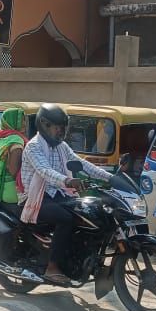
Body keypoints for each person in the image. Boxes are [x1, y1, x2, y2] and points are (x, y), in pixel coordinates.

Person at [19, 103, 112, 285]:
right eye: (57, 128)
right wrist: (68, 181)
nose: (61, 132)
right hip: (35, 198)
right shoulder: (33, 147)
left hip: (57, 195)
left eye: (63, 128)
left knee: (88, 213)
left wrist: (110, 178)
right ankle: (52, 267)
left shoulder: (61, 147)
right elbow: (45, 171)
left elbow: (82, 164)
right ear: (44, 125)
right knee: (66, 219)